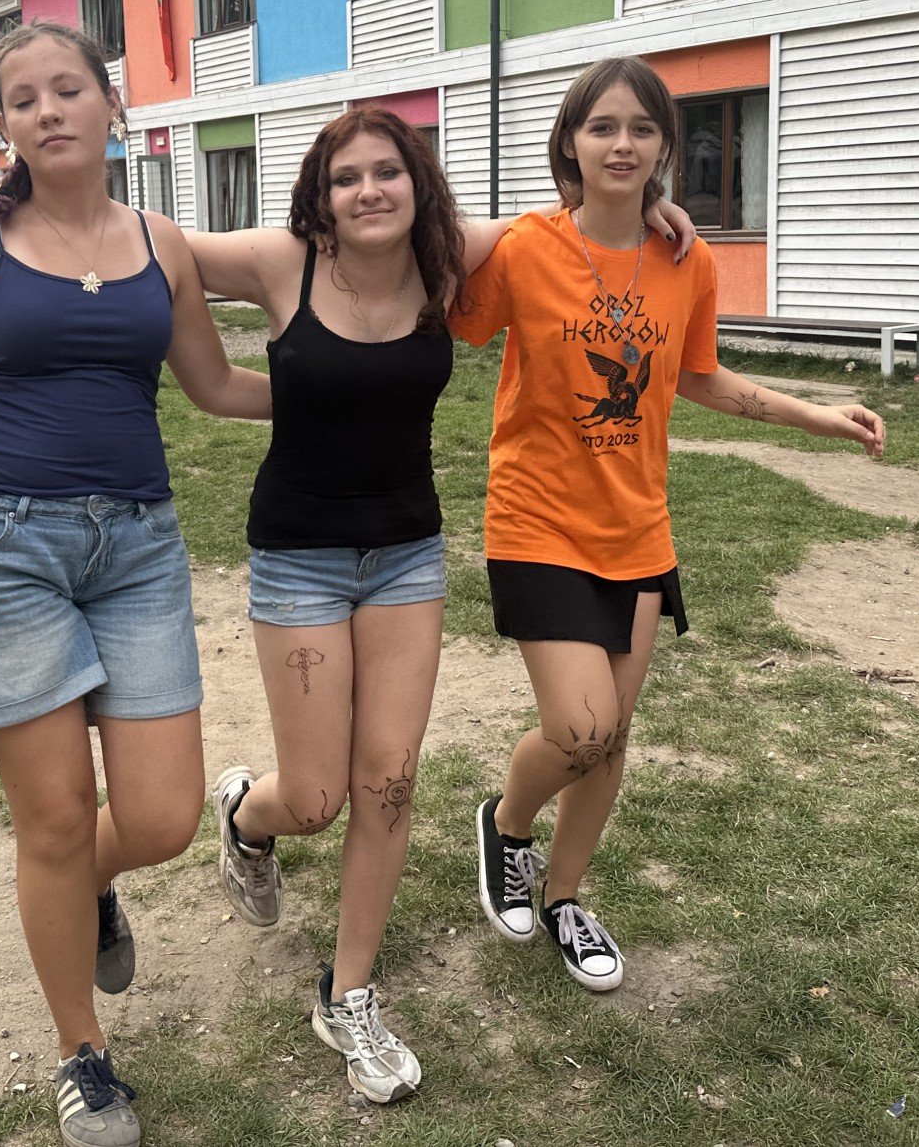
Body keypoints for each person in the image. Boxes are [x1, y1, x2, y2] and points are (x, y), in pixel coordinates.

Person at [178, 108, 691, 1103]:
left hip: (406, 559)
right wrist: (17, 200)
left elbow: (570, 219)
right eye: (345, 178)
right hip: (298, 560)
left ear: (417, 185)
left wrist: (654, 209)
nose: (367, 191)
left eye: (387, 172)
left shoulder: (443, 256)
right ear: (320, 196)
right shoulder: (282, 262)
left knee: (389, 783)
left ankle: (348, 994)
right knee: (315, 798)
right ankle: (246, 813)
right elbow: (152, 247)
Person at [0, 21, 270, 1147]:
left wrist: (341, 393)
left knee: (162, 817)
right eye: (24, 98)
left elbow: (216, 385)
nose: (48, 110)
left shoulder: (161, 244)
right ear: (4, 125)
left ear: (110, 106)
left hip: (135, 546)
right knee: (51, 820)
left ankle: (84, 889)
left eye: (69, 89)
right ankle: (81, 1051)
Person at [457, 56, 884, 993]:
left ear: (665, 148)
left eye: (642, 129)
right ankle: (507, 823)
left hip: (637, 530)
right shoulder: (525, 248)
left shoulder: (688, 259)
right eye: (602, 127)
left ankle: (565, 897)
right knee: (580, 727)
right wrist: (525, 220)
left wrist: (816, 416)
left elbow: (700, 377)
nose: (622, 144)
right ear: (570, 142)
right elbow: (442, 289)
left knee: (612, 738)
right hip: (535, 521)